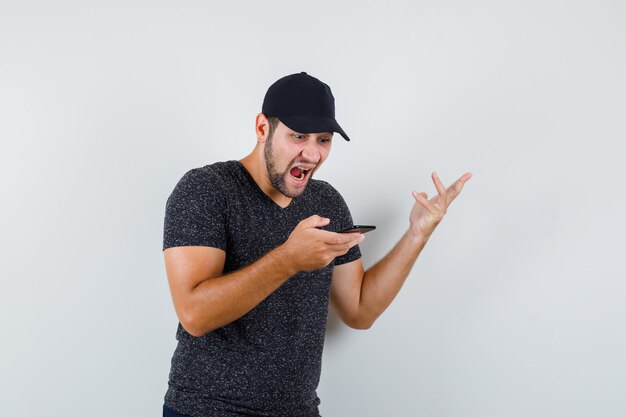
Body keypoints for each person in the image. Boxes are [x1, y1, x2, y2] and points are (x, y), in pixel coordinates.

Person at [162, 72, 472, 417]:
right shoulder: (207, 190)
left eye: (323, 140)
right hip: (206, 410)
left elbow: (359, 311)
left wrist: (417, 234)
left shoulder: (326, 202)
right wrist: (289, 259)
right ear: (262, 128)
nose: (312, 153)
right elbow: (194, 315)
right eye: (298, 136)